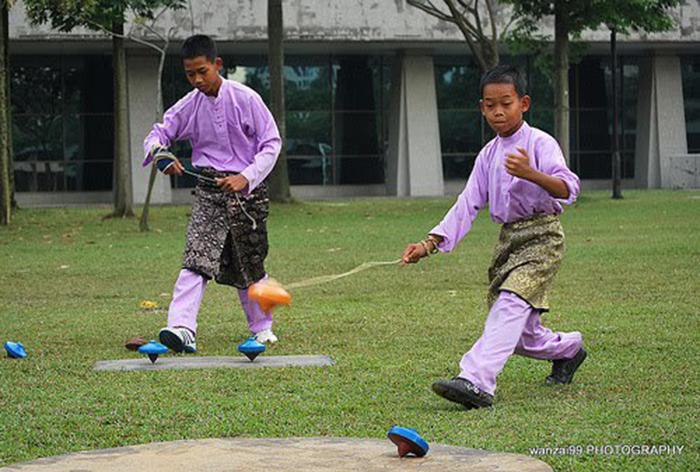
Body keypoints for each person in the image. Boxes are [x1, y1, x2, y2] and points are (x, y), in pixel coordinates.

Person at [402, 65, 586, 409]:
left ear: (524, 103)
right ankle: (570, 349)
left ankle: (476, 380)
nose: (498, 112)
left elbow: (568, 188)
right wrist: (428, 244)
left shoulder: (540, 142)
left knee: (511, 303)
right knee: (523, 335)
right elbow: (467, 204)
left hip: (543, 237)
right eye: (490, 105)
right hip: (508, 242)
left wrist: (532, 174)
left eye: (506, 103)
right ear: (481, 107)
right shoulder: (487, 155)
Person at [142, 35, 282, 353]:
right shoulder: (189, 105)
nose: (197, 80)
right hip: (207, 192)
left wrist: (245, 177)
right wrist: (161, 155)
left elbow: (272, 143)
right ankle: (181, 328)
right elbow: (157, 133)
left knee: (248, 263)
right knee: (196, 259)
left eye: (202, 71)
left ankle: (262, 330)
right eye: (190, 74)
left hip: (248, 197)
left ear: (217, 65)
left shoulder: (247, 99)